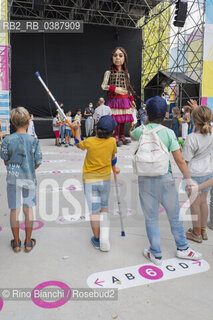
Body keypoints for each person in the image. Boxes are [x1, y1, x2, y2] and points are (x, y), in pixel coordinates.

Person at [130, 96, 202, 265]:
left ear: (147, 113)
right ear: (166, 114)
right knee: (174, 215)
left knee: (151, 217)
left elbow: (132, 136)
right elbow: (180, 160)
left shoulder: (141, 130)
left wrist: (145, 122)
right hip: (165, 178)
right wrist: (188, 179)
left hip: (145, 179)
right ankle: (183, 248)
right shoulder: (169, 133)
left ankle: (155, 253)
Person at [0, 107, 42, 253]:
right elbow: (37, 162)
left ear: (13, 122)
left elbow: (5, 160)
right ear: (28, 121)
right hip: (29, 177)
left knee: (14, 210)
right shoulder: (34, 141)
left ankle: (16, 243)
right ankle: (28, 242)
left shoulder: (7, 140)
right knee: (28, 209)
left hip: (13, 179)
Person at [75, 115, 119, 252]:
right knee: (104, 208)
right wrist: (114, 167)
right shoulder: (112, 142)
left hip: (90, 181)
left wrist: (76, 129)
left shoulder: (89, 141)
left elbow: (77, 143)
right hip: (105, 179)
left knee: (94, 211)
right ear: (112, 131)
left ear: (97, 128)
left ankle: (97, 239)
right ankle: (104, 237)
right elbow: (113, 159)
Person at [182, 106, 213, 242]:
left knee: (195, 203)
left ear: (193, 120)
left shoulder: (191, 138)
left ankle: (196, 234)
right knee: (203, 202)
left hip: (194, 174)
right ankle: (203, 230)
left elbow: (186, 160)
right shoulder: (211, 133)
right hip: (208, 171)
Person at [101, 47, 136, 146]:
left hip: (124, 99)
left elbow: (128, 88)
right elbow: (103, 86)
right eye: (115, 55)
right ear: (112, 58)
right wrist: (115, 89)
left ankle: (122, 136)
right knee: (115, 119)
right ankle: (115, 136)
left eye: (120, 55)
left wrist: (131, 99)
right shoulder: (109, 73)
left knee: (123, 120)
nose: (117, 58)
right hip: (114, 99)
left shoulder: (126, 74)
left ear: (124, 58)